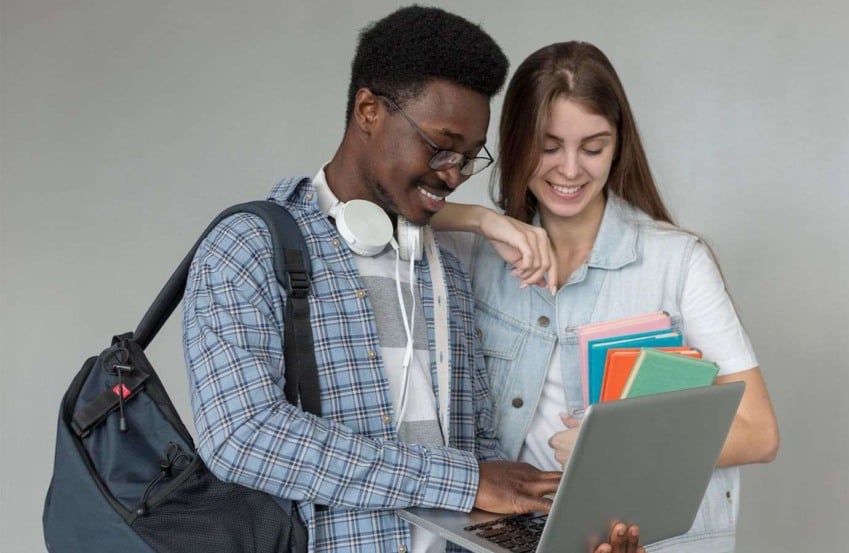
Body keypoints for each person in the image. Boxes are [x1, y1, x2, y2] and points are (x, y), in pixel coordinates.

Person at [183, 8, 642, 553]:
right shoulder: (247, 248)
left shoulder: (445, 267)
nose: (453, 175)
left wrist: (558, 538)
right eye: (441, 147)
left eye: (469, 159)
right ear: (369, 110)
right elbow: (243, 437)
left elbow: (482, 452)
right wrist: (464, 480)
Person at [434, 41, 780, 552]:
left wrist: (615, 450)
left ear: (618, 146)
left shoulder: (677, 261)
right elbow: (373, 208)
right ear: (516, 143)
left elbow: (758, 432)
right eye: (549, 147)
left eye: (593, 148)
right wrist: (481, 219)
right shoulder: (473, 254)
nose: (570, 170)